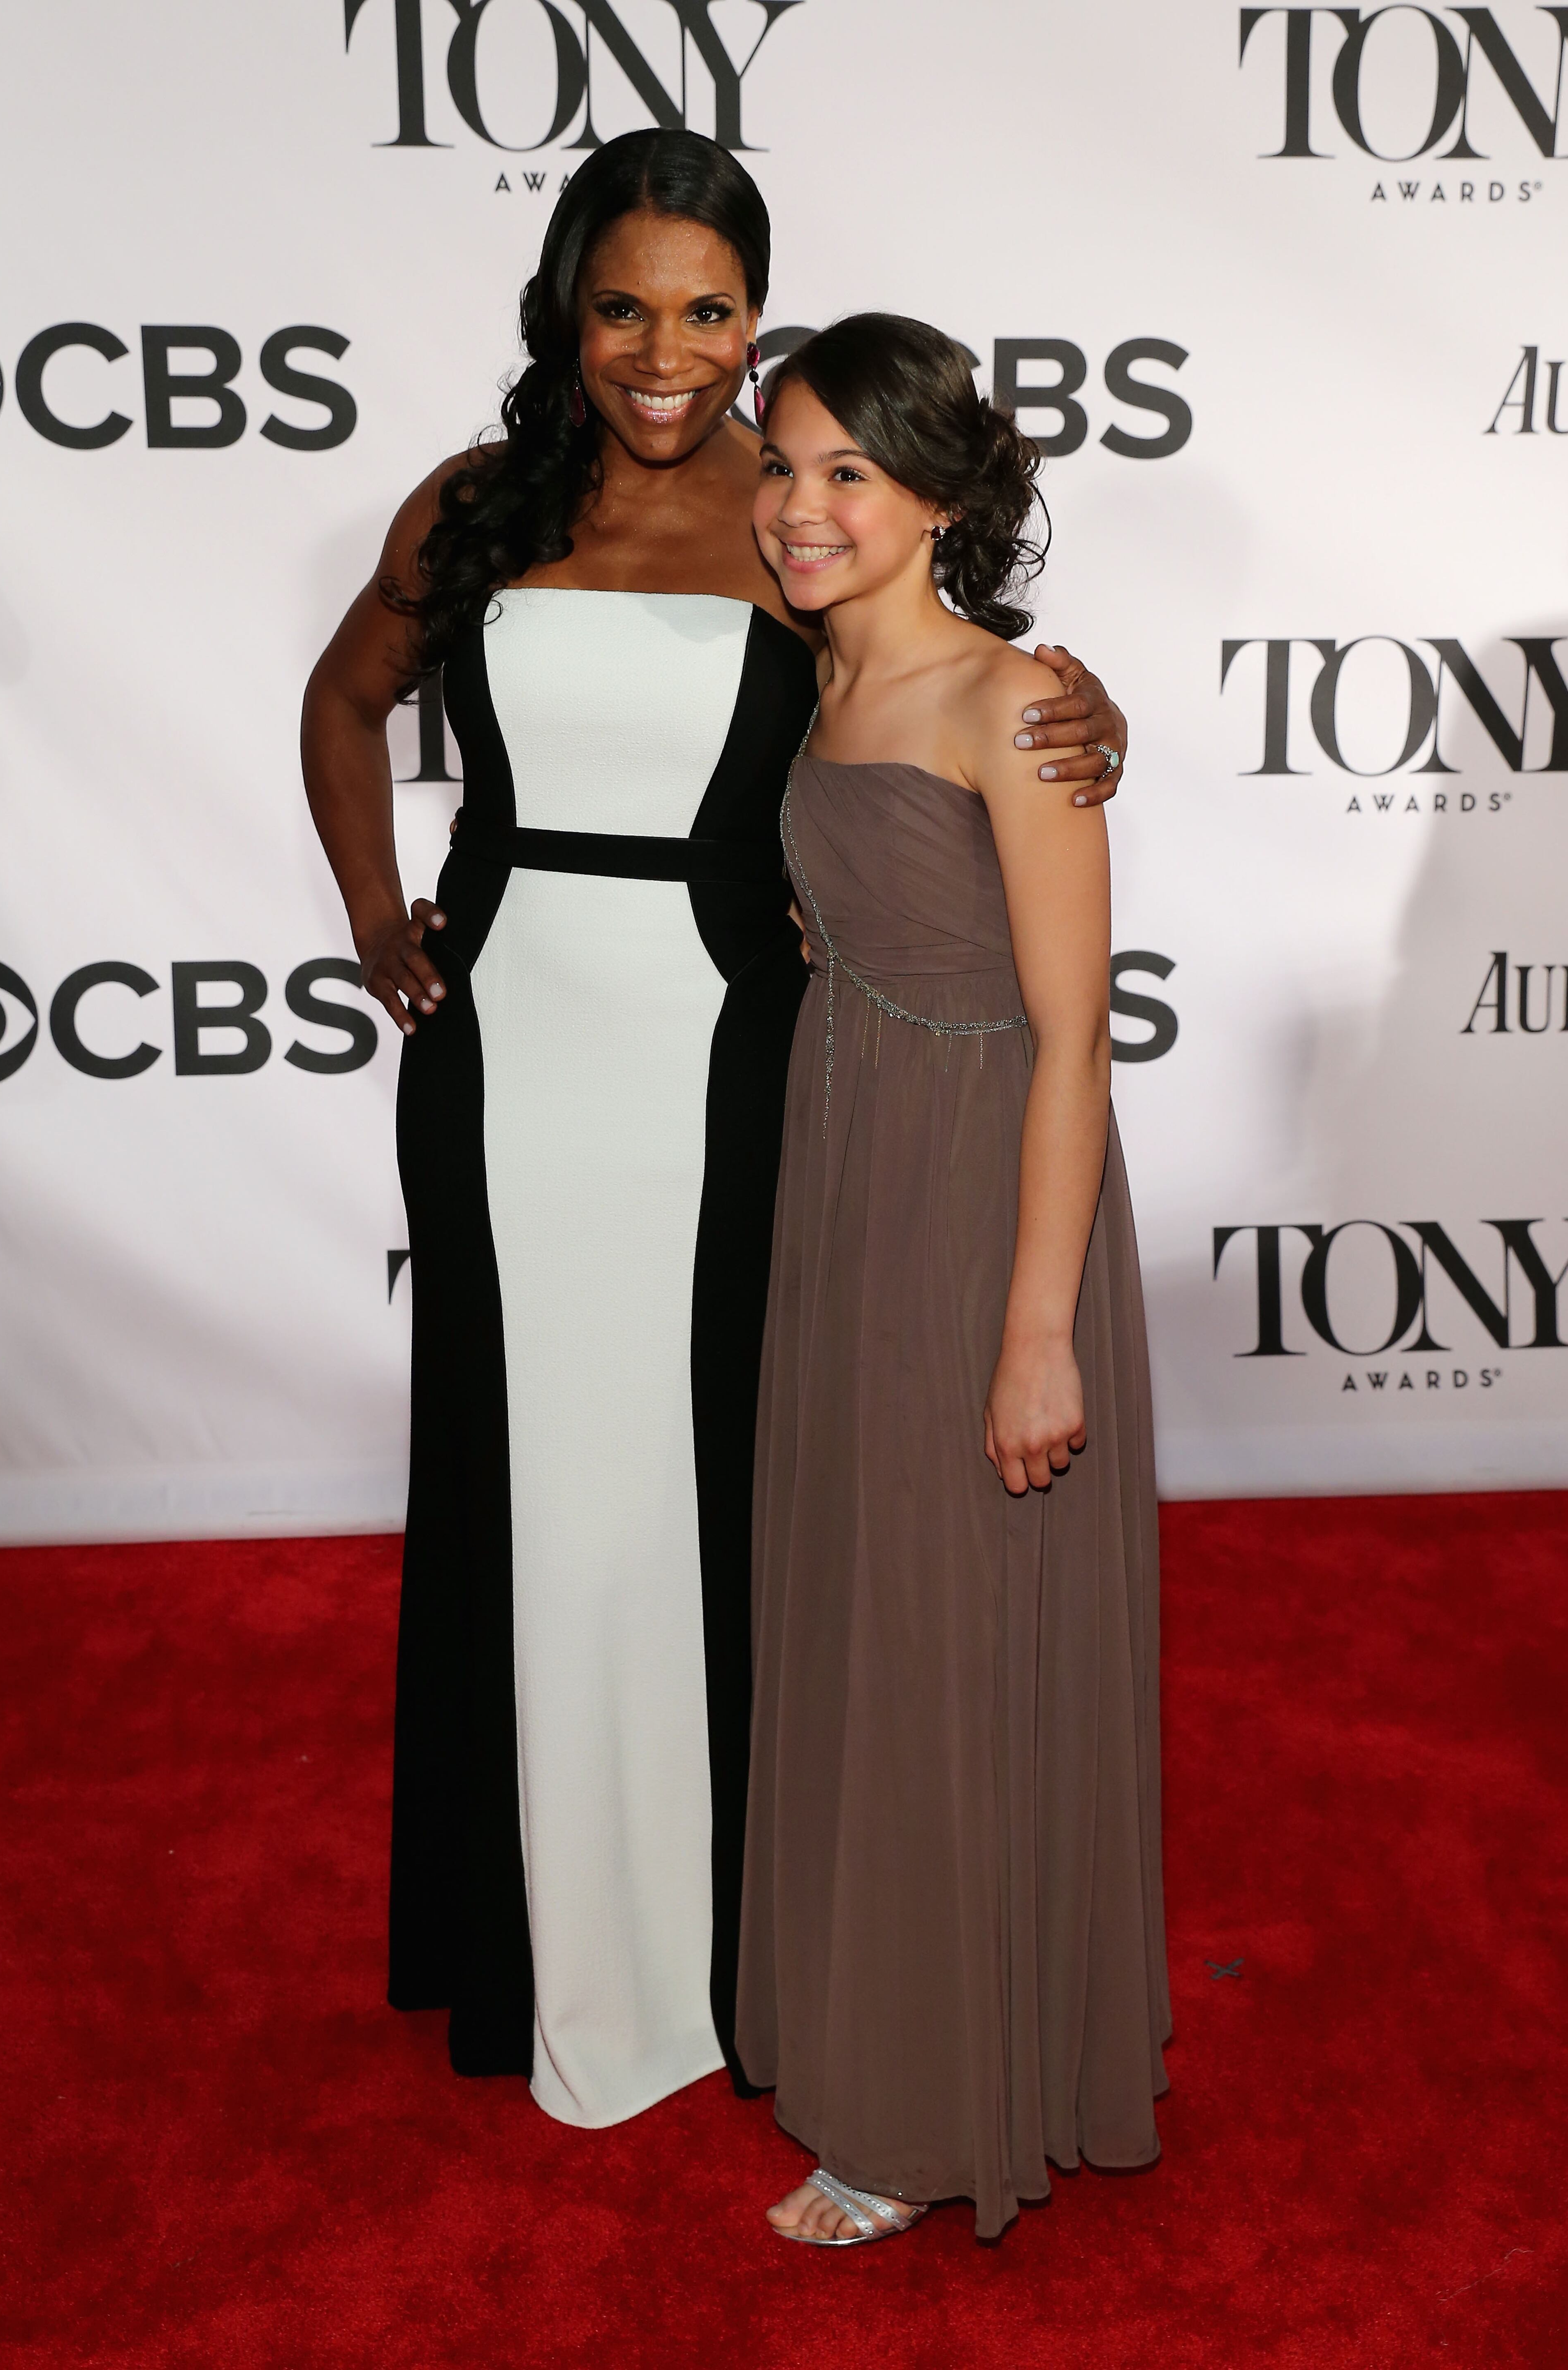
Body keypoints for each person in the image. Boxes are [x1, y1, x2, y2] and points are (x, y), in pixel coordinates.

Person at [300, 132, 1131, 2129]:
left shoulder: (789, 526)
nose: (662, 352)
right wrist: (371, 918)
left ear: (755, 323)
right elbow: (344, 704)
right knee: (533, 1492)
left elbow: (938, 689)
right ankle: (540, 1949)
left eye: (707, 311)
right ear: (564, 310)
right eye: (622, 304)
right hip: (505, 1065)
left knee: (730, 1496)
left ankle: (752, 1956)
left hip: (744, 1063)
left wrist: (1087, 725)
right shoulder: (478, 507)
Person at [737, 316, 1168, 2242]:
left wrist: (1034, 1330)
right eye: (786, 467)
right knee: (870, 1619)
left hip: (992, 1201)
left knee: (953, 1624)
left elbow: (1074, 1040)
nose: (804, 507)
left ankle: (930, 2108)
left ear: (940, 499)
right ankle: (879, 2027)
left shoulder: (1016, 703)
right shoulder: (815, 677)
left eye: (849, 473)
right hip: (852, 1181)